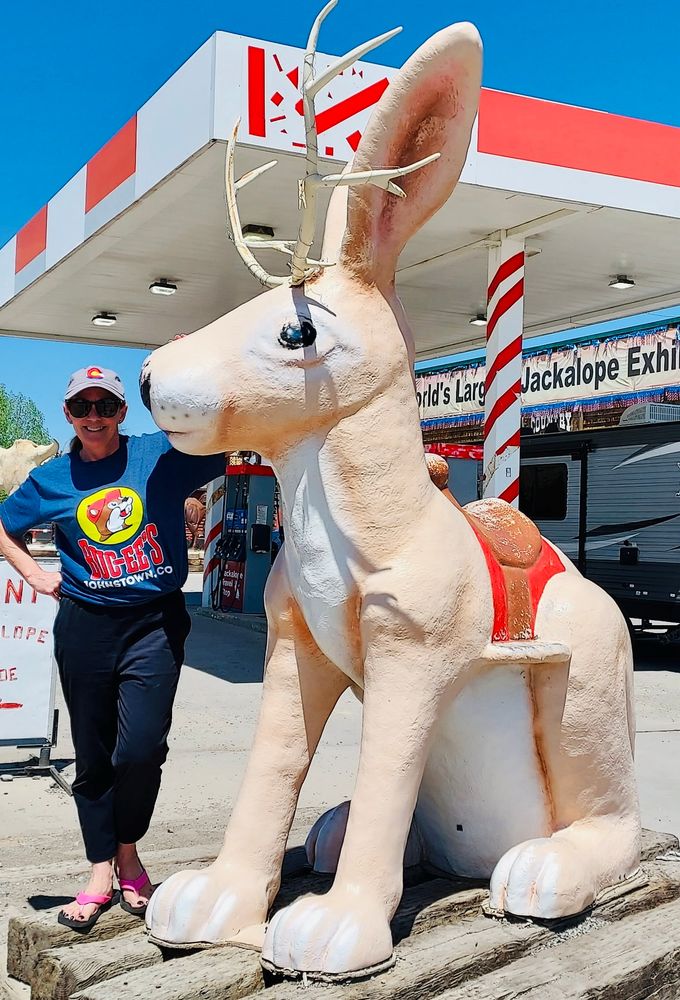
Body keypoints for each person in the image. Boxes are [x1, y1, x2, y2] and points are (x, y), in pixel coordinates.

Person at [0, 366, 225, 931]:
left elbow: (223, 441)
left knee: (141, 749)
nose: (94, 417)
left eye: (106, 406)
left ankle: (127, 846)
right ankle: (108, 866)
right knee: (94, 755)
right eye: (83, 408)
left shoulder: (160, 456)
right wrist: (31, 571)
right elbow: (4, 527)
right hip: (86, 626)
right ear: (69, 415)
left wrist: (189, 377)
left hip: (154, 623)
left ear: (124, 412)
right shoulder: (52, 478)